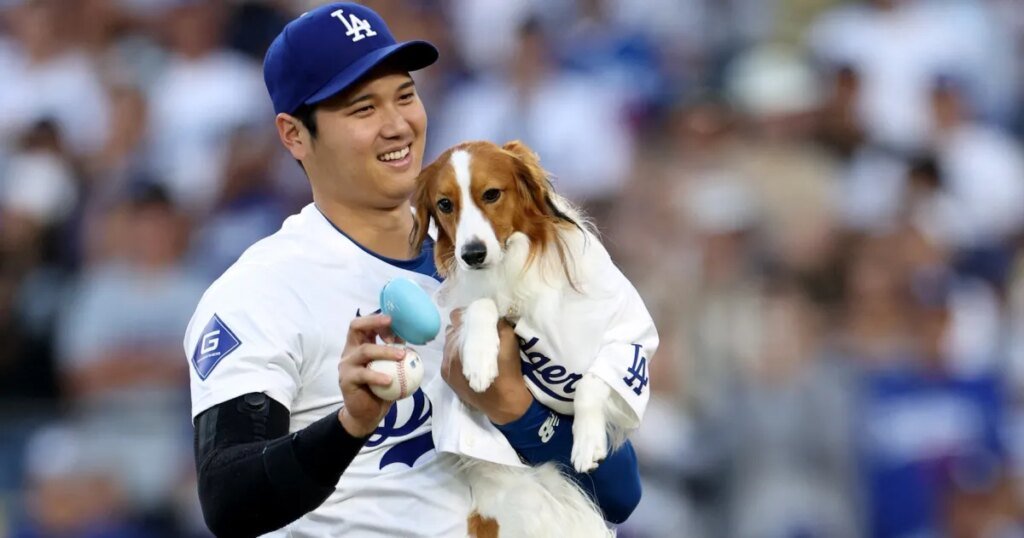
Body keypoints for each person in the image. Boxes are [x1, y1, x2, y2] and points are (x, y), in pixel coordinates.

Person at [184, 4, 641, 537]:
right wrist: (350, 425)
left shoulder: (510, 259)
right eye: (363, 108)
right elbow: (229, 500)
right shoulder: (263, 290)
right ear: (294, 134)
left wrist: (515, 407)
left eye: (405, 95)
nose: (397, 124)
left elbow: (619, 492)